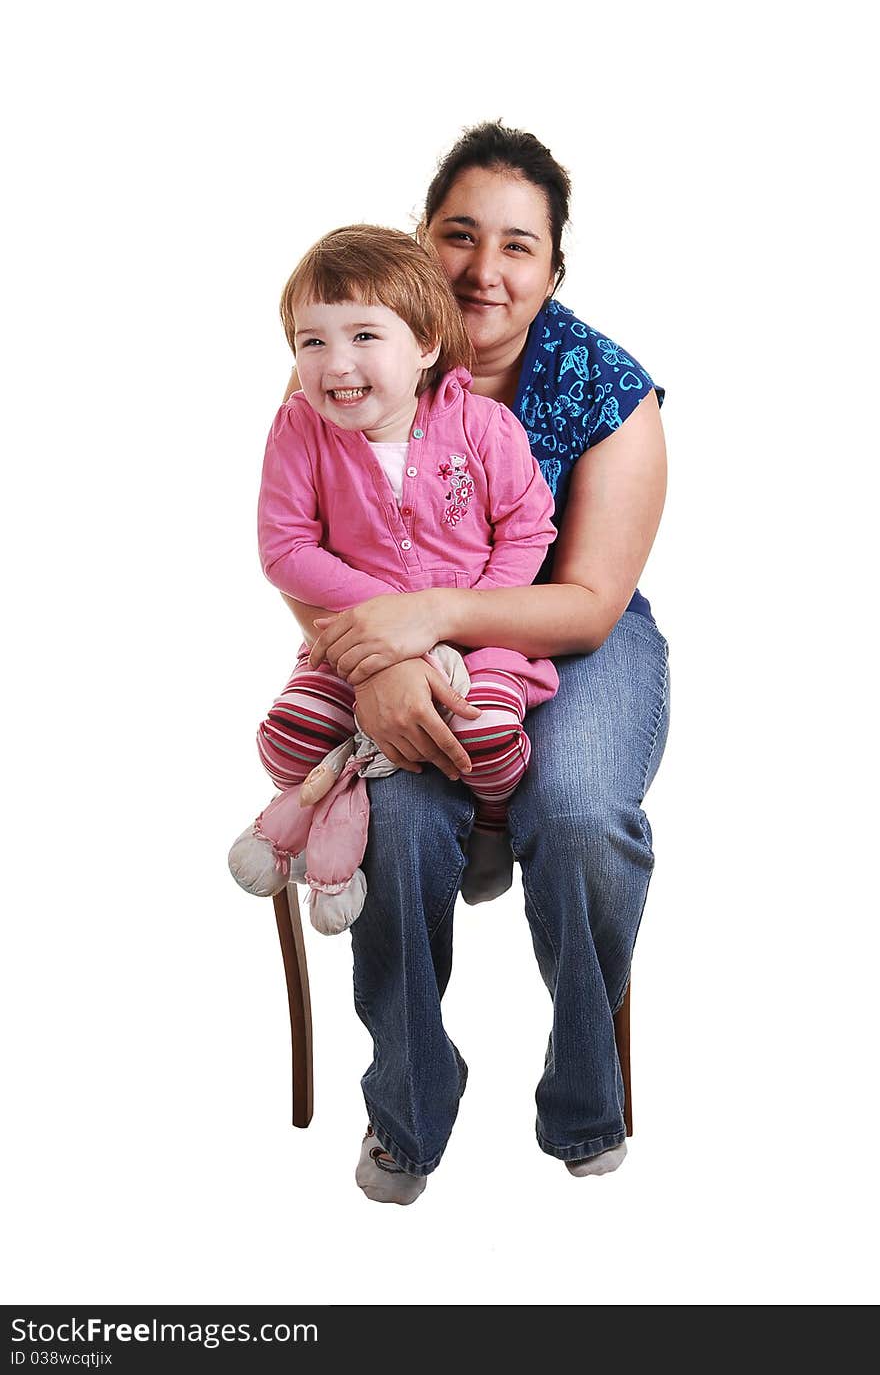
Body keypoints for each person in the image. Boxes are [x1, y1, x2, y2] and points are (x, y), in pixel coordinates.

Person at [284, 123, 670, 1205]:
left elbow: (589, 600)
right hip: (382, 634)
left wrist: (429, 616)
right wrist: (372, 661)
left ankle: (584, 1094)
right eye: (458, 235)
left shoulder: (608, 389)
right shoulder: (356, 348)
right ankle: (409, 1104)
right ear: (420, 238)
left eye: (517, 245)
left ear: (553, 266)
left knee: (584, 816)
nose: (482, 271)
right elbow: (296, 538)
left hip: (571, 635)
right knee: (400, 825)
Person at [228, 225, 559, 933]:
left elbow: (529, 529)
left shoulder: (486, 428)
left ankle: (492, 826)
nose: (334, 362)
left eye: (363, 337)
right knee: (285, 738)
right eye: (311, 342)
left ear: (426, 347)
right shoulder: (299, 429)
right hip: (356, 641)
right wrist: (388, 619)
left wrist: (462, 618)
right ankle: (324, 809)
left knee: (491, 741)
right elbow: (283, 547)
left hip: (478, 643)